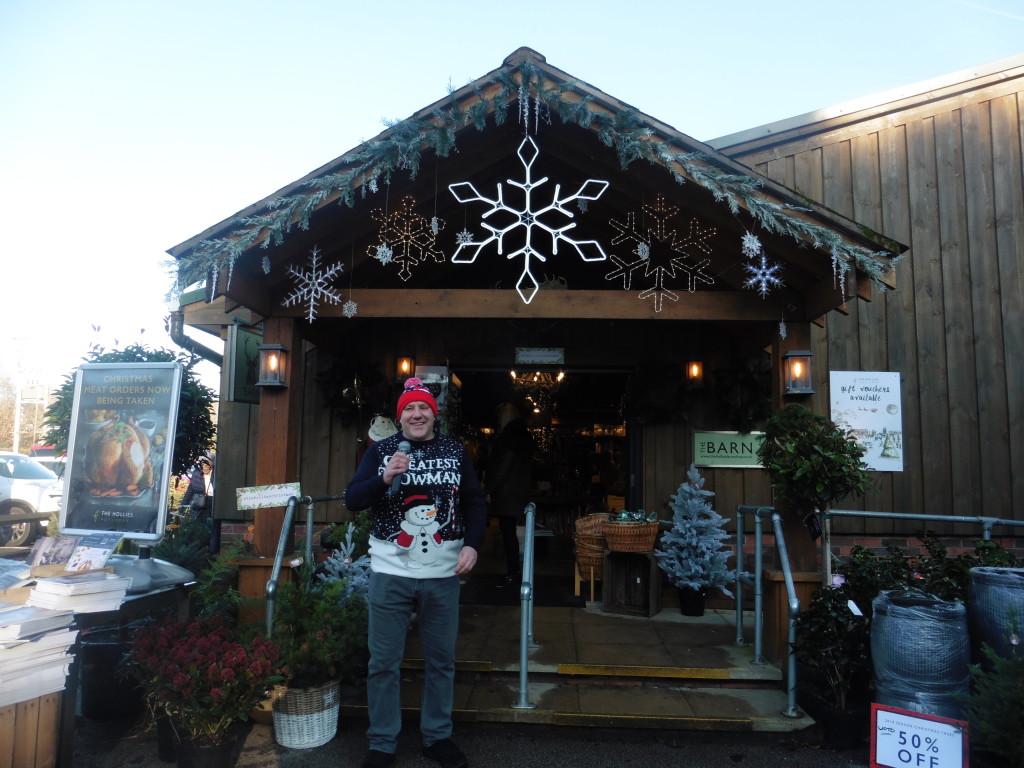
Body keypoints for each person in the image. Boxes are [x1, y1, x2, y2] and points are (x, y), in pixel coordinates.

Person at [345, 377, 486, 768]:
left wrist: (473, 544)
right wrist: (384, 478)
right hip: (391, 573)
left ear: (433, 414)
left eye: (423, 407)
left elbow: (475, 502)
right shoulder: (381, 452)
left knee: (441, 660)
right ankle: (382, 743)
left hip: (443, 575)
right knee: (383, 662)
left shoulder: (456, 453)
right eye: (409, 408)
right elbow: (352, 500)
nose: (417, 413)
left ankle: (437, 737)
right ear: (400, 416)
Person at [484, 402, 535, 586]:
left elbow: (503, 466)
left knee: (508, 534)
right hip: (517, 490)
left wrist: (490, 489)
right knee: (509, 533)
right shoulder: (523, 436)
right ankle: (514, 572)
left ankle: (513, 573)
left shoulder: (508, 437)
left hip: (507, 492)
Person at [180, 453, 217, 553]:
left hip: (213, 503)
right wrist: (183, 505)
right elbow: (190, 490)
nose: (204, 468)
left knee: (211, 528)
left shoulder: (217, 474)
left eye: (207, 466)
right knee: (197, 528)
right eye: (203, 465)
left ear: (212, 465)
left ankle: (210, 552)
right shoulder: (197, 474)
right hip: (200, 503)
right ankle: (198, 550)